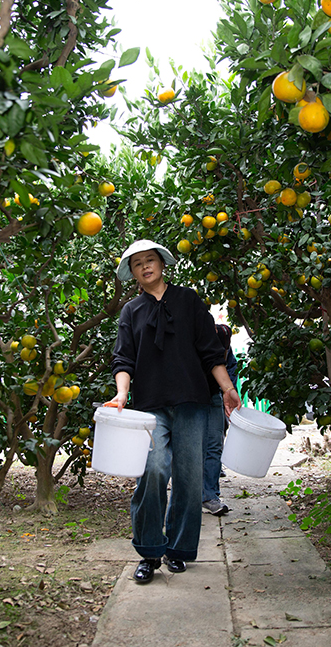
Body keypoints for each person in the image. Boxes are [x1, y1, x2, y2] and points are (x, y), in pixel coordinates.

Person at [107, 239, 241, 584]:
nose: (145, 267)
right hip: (150, 406)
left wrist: (227, 389)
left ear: (162, 264)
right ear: (132, 273)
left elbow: (212, 351)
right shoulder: (131, 311)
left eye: (150, 260)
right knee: (151, 470)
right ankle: (150, 551)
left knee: (188, 478)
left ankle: (178, 550)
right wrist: (122, 395)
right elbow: (123, 359)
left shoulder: (188, 301)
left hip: (192, 402)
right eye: (138, 264)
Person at [202, 324, 237, 515]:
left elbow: (230, 365)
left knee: (215, 445)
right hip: (191, 398)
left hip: (214, 396)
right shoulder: (193, 339)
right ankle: (191, 494)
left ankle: (210, 496)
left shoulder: (223, 338)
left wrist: (228, 389)